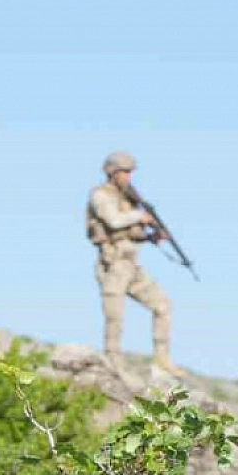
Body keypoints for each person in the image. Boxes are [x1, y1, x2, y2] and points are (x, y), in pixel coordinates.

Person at [86, 150, 184, 378]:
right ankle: (113, 363)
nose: (128, 177)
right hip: (112, 265)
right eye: (124, 172)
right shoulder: (101, 196)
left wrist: (151, 236)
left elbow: (131, 233)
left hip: (131, 266)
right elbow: (113, 221)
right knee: (115, 317)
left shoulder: (128, 200)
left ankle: (162, 359)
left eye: (130, 172)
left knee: (162, 306)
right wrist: (140, 217)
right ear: (112, 172)